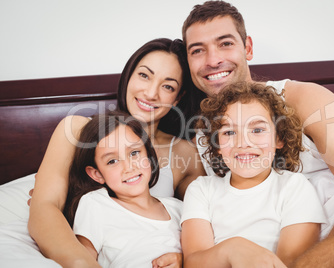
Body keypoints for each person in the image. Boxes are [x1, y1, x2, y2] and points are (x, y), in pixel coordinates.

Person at [181, 1, 334, 267]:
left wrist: (311, 263)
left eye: (225, 43)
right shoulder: (203, 138)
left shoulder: (304, 99)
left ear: (248, 47)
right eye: (197, 50)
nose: (213, 59)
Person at [28, 38, 205, 268]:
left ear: (178, 97)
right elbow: (44, 207)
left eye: (168, 86)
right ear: (128, 75)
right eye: (144, 75)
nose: (151, 93)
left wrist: (187, 258)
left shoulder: (184, 152)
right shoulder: (76, 130)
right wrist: (83, 263)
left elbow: (206, 220)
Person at [181, 82, 328, 267]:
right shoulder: (201, 189)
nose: (243, 142)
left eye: (257, 130)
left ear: (279, 139)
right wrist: (232, 249)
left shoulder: (294, 187)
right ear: (217, 144)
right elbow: (194, 262)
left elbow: (292, 262)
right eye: (229, 132)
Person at [64, 111, 182, 268]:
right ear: (97, 174)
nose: (129, 167)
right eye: (112, 161)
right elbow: (84, 259)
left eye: (134, 153)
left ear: (148, 155)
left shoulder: (179, 209)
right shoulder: (96, 203)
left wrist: (183, 259)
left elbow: (203, 254)